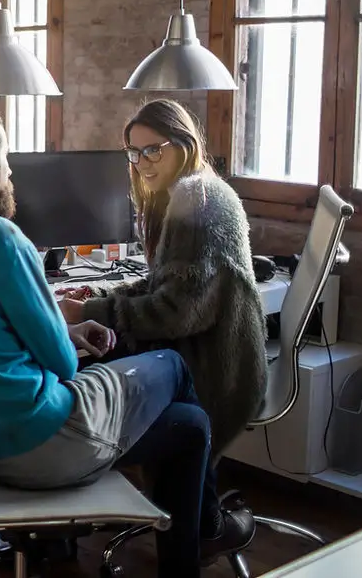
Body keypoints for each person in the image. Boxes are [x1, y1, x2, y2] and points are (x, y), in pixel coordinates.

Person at [0, 104, 254, 577]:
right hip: (35, 444)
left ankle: (55, 544)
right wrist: (68, 328)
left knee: (187, 422)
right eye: (5, 157)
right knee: (174, 373)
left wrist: (72, 320)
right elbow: (63, 363)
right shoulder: (1, 238)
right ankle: (196, 540)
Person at [58, 99, 267, 458]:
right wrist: (94, 292)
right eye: (134, 153)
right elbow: (166, 285)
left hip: (217, 372)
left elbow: (177, 312)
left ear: (184, 144)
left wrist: (84, 312)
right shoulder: (185, 192)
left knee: (76, 378)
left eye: (153, 150)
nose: (142, 164)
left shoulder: (197, 199)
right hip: (204, 358)